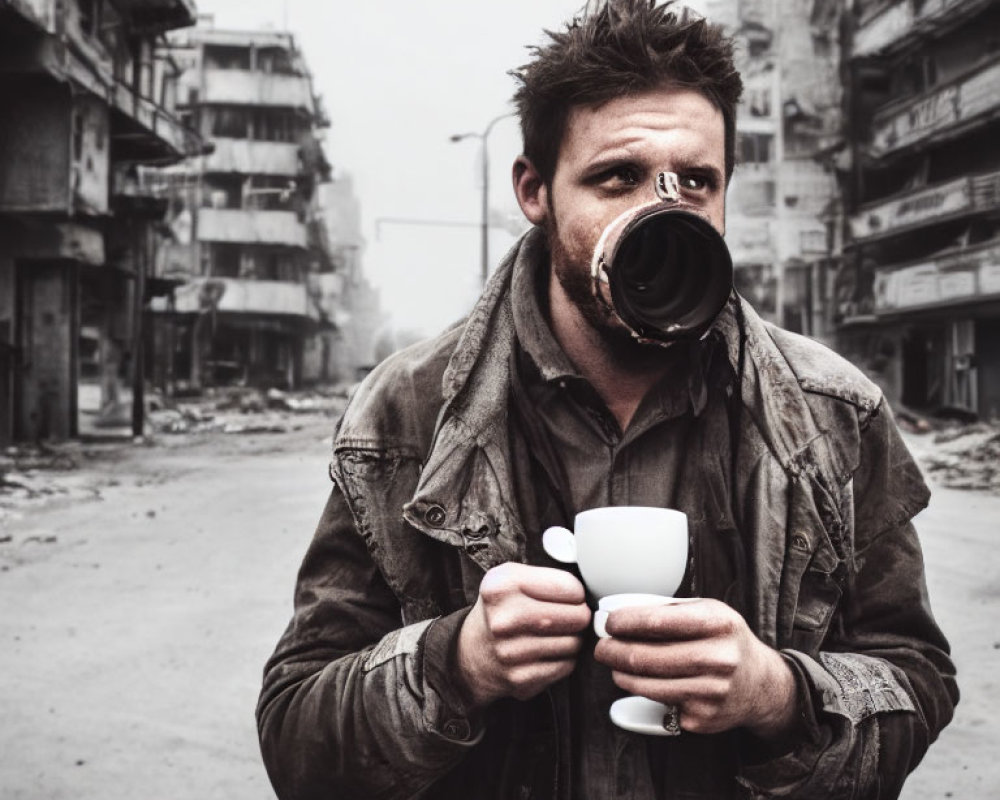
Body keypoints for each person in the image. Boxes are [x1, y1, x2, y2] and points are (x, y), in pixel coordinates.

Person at [256, 2, 958, 798]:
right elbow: (298, 743)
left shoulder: (833, 415)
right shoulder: (404, 414)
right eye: (617, 178)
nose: (662, 212)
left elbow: (917, 682)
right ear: (534, 190)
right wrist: (456, 663)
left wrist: (776, 694)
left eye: (696, 182)